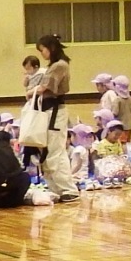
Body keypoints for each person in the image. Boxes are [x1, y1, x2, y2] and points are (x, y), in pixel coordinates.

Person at [30, 35, 80, 203]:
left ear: (50, 48)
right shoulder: (53, 66)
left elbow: (45, 87)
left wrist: (32, 91)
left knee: (55, 151)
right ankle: (56, 189)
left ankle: (68, 189)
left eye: (42, 50)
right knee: (46, 152)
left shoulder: (60, 65)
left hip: (55, 112)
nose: (42, 54)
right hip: (47, 112)